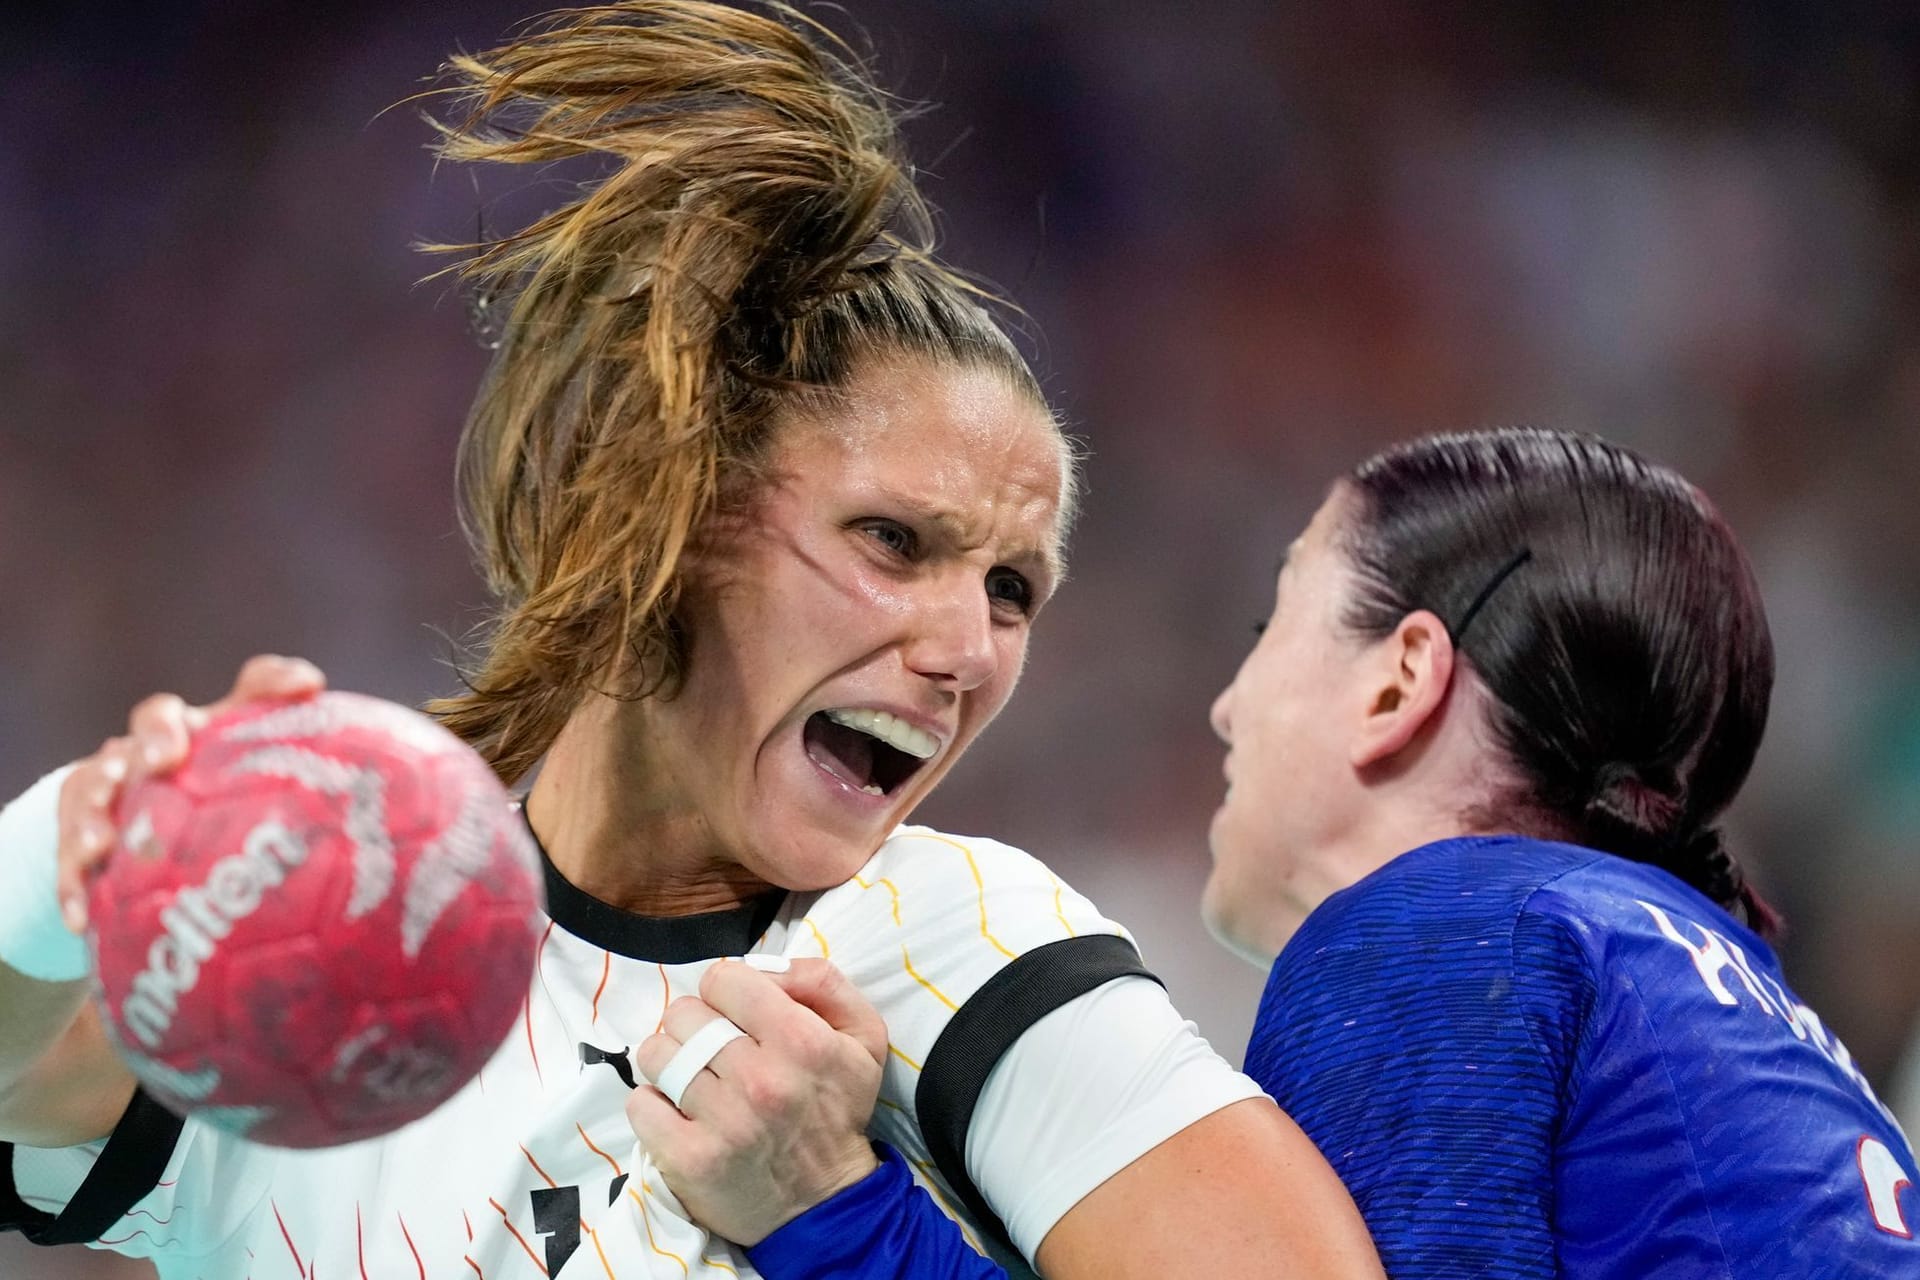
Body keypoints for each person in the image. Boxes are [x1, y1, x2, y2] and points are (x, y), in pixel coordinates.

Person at [0, 4, 1383, 1280]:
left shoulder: (956, 944)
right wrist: (74, 852)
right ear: (663, 506)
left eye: (1014, 589)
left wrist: (845, 1228)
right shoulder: (346, 959)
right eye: (893, 542)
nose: (968, 644)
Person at [669, 426, 1920, 1278]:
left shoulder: (1439, 932)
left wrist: (832, 1209)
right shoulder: (1677, 977)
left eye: (1277, 621)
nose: (1225, 705)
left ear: (1400, 684)